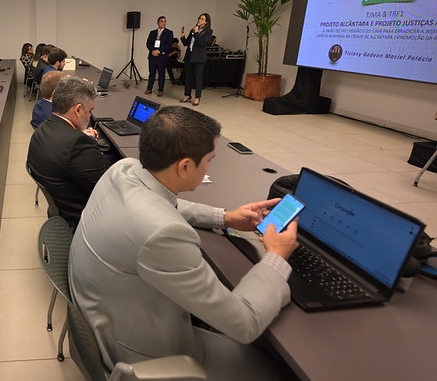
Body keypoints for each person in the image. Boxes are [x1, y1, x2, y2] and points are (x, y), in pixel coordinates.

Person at [69, 106, 298, 380]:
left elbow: (162, 203)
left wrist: (226, 217)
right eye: (210, 160)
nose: (210, 166)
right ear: (185, 166)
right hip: (142, 356)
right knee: (277, 368)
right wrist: (276, 256)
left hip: (108, 318)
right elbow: (244, 323)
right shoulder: (163, 234)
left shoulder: (123, 169)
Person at [26, 76, 108, 227]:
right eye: (90, 111)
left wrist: (79, 135)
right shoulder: (78, 144)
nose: (90, 116)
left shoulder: (43, 127)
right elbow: (106, 190)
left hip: (61, 206)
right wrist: (91, 143)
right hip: (82, 219)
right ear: (78, 109)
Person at [180, 13, 213, 106]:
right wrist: (183, 36)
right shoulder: (193, 29)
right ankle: (187, 95)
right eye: (199, 18)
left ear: (206, 22)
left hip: (199, 58)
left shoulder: (208, 31)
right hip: (189, 56)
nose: (200, 20)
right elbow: (186, 43)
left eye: (203, 19)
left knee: (198, 78)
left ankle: (197, 97)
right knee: (188, 77)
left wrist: (197, 33)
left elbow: (202, 43)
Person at [145, 15, 174, 97]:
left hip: (162, 56)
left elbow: (168, 44)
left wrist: (158, 51)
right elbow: (148, 43)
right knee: (152, 73)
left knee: (161, 73)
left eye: (165, 21)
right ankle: (149, 88)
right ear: (158, 23)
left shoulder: (169, 32)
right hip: (152, 56)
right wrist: (152, 51)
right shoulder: (152, 32)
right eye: (161, 21)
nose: (163, 23)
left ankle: (160, 90)